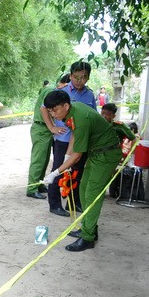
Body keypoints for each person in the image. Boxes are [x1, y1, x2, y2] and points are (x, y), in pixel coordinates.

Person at [42, 90, 121, 252]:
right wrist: (65, 157)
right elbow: (74, 136)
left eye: (54, 110)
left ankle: (87, 238)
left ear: (65, 105)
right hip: (97, 152)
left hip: (107, 154)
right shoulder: (71, 111)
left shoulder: (80, 117)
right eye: (49, 111)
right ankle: (89, 227)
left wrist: (55, 172)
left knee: (92, 195)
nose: (52, 114)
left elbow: (77, 156)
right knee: (84, 189)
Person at [47, 62, 96, 215]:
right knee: (58, 171)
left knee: (76, 172)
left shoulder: (90, 95)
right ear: (70, 75)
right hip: (63, 140)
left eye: (83, 77)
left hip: (80, 140)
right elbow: (44, 107)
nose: (79, 81)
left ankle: (73, 203)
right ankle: (54, 204)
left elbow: (91, 117)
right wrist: (51, 127)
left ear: (88, 78)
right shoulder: (62, 91)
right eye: (76, 77)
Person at [26, 75, 70, 199]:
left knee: (44, 159)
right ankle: (32, 188)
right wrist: (52, 127)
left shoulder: (51, 90)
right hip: (41, 128)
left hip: (45, 129)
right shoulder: (52, 92)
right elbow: (43, 109)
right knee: (38, 159)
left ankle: (38, 183)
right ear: (65, 84)